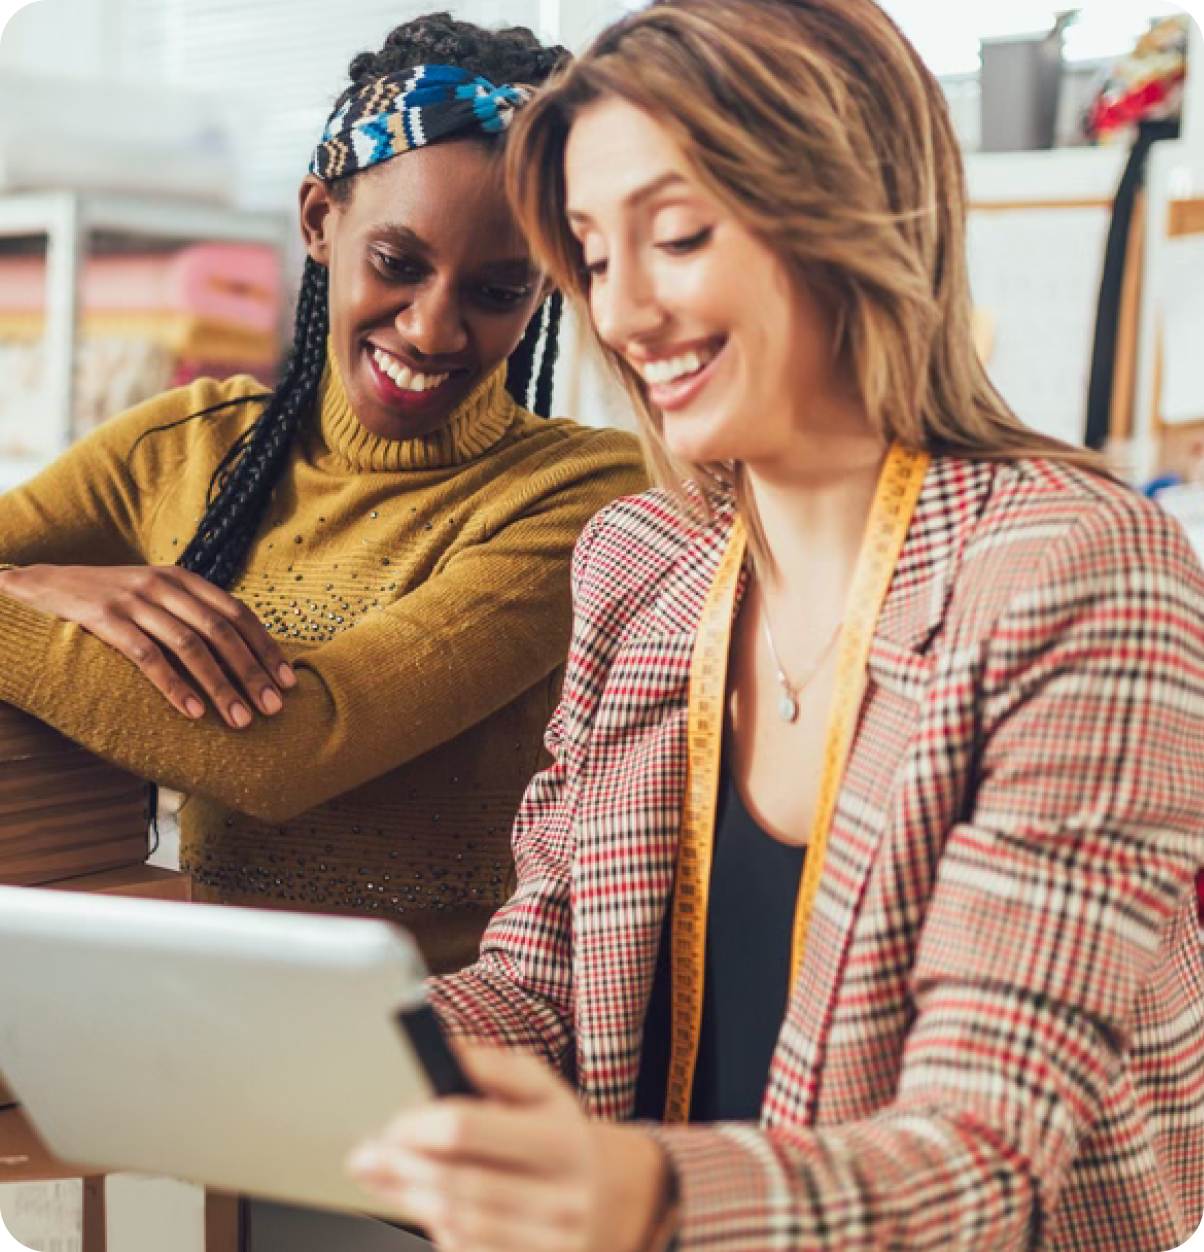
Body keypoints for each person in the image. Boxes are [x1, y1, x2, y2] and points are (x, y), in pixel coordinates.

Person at [347, 1, 1204, 1248]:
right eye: (590, 254)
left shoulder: (1071, 571)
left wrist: (641, 1194)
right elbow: (543, 985)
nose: (625, 312)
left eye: (678, 235)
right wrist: (317, 1050)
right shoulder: (640, 565)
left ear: (848, 210)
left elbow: (981, 1152)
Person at [0, 13, 646, 974]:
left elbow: (288, 749)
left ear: (546, 289)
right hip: (189, 1014)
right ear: (318, 221)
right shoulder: (191, 441)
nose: (432, 329)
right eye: (398, 263)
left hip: (450, 1051)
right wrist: (37, 582)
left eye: (499, 290)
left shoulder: (582, 497)